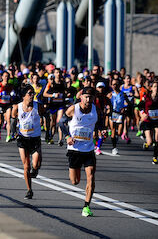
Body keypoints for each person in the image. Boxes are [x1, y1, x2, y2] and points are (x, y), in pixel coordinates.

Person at [58, 87, 105, 217]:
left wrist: (102, 129)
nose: (88, 99)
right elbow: (61, 123)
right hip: (74, 149)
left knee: (91, 176)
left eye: (91, 97)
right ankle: (83, 198)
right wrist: (67, 136)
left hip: (89, 149)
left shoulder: (96, 109)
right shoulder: (74, 109)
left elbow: (100, 121)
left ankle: (86, 206)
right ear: (81, 97)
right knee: (75, 181)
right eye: (86, 97)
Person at [12, 84, 44, 199]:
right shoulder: (17, 107)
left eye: (33, 93)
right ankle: (29, 190)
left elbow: (46, 116)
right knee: (26, 166)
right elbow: (13, 119)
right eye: (30, 94)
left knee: (36, 164)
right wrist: (12, 132)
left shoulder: (38, 106)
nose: (32, 96)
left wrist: (48, 130)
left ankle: (35, 170)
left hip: (35, 139)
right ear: (24, 96)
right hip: (22, 138)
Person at [140, 82, 158, 164]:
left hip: (157, 120)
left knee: (157, 138)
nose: (157, 88)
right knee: (150, 142)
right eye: (155, 87)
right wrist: (143, 113)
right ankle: (146, 142)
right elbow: (139, 106)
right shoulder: (146, 96)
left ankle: (155, 158)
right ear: (151, 88)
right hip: (148, 121)